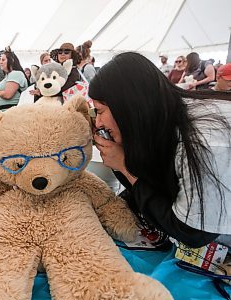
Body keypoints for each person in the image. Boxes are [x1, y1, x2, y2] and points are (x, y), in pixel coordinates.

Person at [89, 52, 231, 249]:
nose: (99, 123)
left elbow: (193, 233)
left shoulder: (204, 142)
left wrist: (124, 167)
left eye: (100, 111)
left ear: (128, 106)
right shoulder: (168, 117)